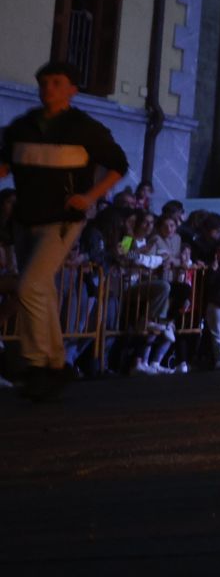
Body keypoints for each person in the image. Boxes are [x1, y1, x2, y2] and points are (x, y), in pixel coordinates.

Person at [0, 60, 129, 402]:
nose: (48, 89)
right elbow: (4, 164)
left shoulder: (85, 128)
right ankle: (55, 363)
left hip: (62, 220)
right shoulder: (22, 127)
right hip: (25, 219)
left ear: (72, 89)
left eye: (57, 82)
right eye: (44, 82)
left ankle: (37, 362)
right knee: (41, 289)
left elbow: (118, 164)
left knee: (30, 285)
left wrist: (88, 197)